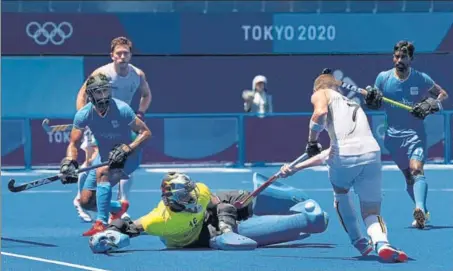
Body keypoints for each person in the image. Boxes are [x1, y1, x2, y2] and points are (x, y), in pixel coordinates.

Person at [280, 71, 408, 262]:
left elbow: (320, 113)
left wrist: (311, 141)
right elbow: (329, 153)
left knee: (340, 193)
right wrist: (294, 168)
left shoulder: (321, 92)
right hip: (372, 153)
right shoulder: (353, 104)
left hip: (344, 157)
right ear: (338, 87)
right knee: (371, 212)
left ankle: (359, 242)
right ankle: (382, 243)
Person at [88, 172, 329, 253]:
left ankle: (293, 199)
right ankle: (307, 220)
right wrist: (107, 236)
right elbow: (129, 227)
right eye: (184, 196)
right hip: (202, 236)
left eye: (190, 191)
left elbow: (215, 203)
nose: (191, 196)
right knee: (237, 230)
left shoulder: (200, 192)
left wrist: (233, 210)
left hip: (213, 216)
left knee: (237, 200)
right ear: (172, 200)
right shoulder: (160, 221)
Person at [364, 40, 449, 229]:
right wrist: (371, 100)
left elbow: (442, 94)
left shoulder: (421, 78)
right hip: (392, 138)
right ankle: (423, 212)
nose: (399, 60)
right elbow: (375, 104)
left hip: (415, 135)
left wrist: (430, 104)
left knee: (416, 169)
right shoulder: (383, 79)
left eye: (403, 56)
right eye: (396, 56)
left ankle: (419, 207)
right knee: (408, 177)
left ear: (411, 58)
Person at [60, 73, 152, 236]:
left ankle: (101, 223)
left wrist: (128, 149)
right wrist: (70, 163)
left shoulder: (122, 109)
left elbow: (145, 133)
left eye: (105, 91)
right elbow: (73, 144)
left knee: (103, 173)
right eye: (98, 92)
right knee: (86, 202)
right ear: (90, 95)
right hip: (103, 157)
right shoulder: (84, 114)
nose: (103, 96)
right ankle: (118, 207)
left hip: (128, 156)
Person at [73, 36, 152, 222]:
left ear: (130, 55)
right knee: (92, 160)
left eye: (126, 53)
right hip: (99, 120)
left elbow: (146, 95)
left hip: (122, 121)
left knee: (122, 161)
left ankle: (120, 204)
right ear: (112, 55)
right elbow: (82, 94)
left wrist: (141, 112)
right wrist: (87, 117)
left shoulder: (138, 75)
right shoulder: (102, 73)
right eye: (119, 53)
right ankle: (80, 198)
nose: (122, 56)